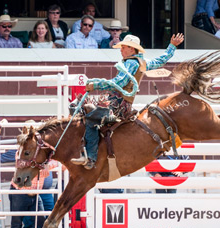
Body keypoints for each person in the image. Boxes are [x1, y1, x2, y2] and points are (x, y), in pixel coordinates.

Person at [70, 33, 184, 169]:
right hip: (123, 104)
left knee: (91, 118)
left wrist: (96, 85)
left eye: (124, 47)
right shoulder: (141, 62)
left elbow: (119, 82)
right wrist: (172, 46)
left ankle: (90, 157)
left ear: (132, 49)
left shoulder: (130, 63)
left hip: (116, 105)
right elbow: (160, 60)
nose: (121, 50)